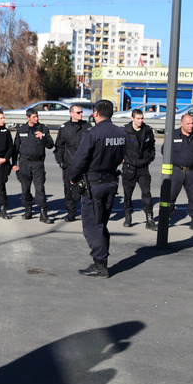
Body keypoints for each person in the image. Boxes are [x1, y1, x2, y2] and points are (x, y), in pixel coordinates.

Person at [68, 100, 127, 278]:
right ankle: (101, 260)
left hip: (94, 184)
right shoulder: (120, 132)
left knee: (93, 226)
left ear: (95, 113)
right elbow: (122, 155)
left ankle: (100, 265)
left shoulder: (92, 133)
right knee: (101, 223)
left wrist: (73, 178)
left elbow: (80, 159)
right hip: (111, 182)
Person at [161, 113, 193, 231]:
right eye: (188, 123)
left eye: (192, 123)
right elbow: (164, 151)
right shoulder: (173, 135)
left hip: (192, 172)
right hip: (176, 171)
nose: (191, 126)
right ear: (181, 124)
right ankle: (165, 219)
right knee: (170, 197)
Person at [12, 108, 55, 223]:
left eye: (37, 116)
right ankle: (28, 209)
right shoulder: (21, 129)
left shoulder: (43, 128)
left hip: (38, 163)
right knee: (25, 188)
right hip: (24, 163)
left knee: (40, 188)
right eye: (34, 117)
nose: (36, 119)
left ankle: (43, 212)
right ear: (28, 118)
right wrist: (14, 164)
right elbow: (15, 148)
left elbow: (51, 145)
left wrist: (43, 137)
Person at [121, 108, 157, 230]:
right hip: (129, 167)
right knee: (127, 194)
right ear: (132, 118)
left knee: (146, 193)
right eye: (138, 118)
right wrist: (122, 159)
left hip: (143, 168)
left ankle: (149, 219)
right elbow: (119, 148)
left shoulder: (147, 130)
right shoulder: (124, 131)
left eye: (142, 118)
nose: (140, 121)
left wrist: (150, 158)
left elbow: (152, 146)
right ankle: (128, 216)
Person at [54, 104, 89, 221]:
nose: (81, 114)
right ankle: (71, 213)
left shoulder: (87, 126)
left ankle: (87, 214)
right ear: (71, 113)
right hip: (69, 163)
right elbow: (59, 146)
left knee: (86, 189)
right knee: (69, 189)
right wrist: (60, 161)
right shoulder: (65, 128)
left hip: (85, 164)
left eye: (81, 112)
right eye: (78, 112)